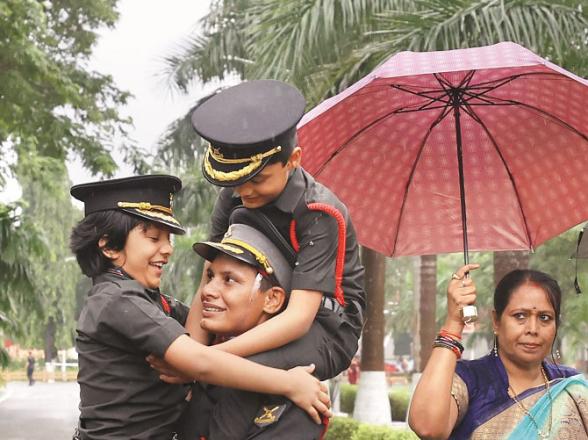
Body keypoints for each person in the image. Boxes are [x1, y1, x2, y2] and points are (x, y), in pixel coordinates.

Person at [70, 175, 330, 440]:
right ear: (109, 245)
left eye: (168, 239)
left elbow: (208, 321)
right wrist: (289, 384)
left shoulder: (149, 300)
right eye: (153, 238)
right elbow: (200, 362)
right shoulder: (117, 300)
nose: (167, 249)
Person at [187, 79, 365, 384]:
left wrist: (208, 359)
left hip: (323, 325)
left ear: (293, 160)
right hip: (258, 304)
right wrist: (191, 351)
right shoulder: (235, 193)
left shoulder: (319, 212)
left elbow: (298, 318)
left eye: (258, 180)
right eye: (237, 182)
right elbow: (211, 271)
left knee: (234, 374)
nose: (245, 192)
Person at [169, 221, 327, 439]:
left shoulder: (294, 391)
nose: (207, 291)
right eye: (210, 277)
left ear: (272, 299)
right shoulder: (188, 360)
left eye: (229, 280)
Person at [408, 264, 588, 439]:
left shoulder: (570, 387)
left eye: (544, 317)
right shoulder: (470, 380)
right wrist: (454, 323)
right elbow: (427, 428)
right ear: (496, 321)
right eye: (520, 316)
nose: (533, 329)